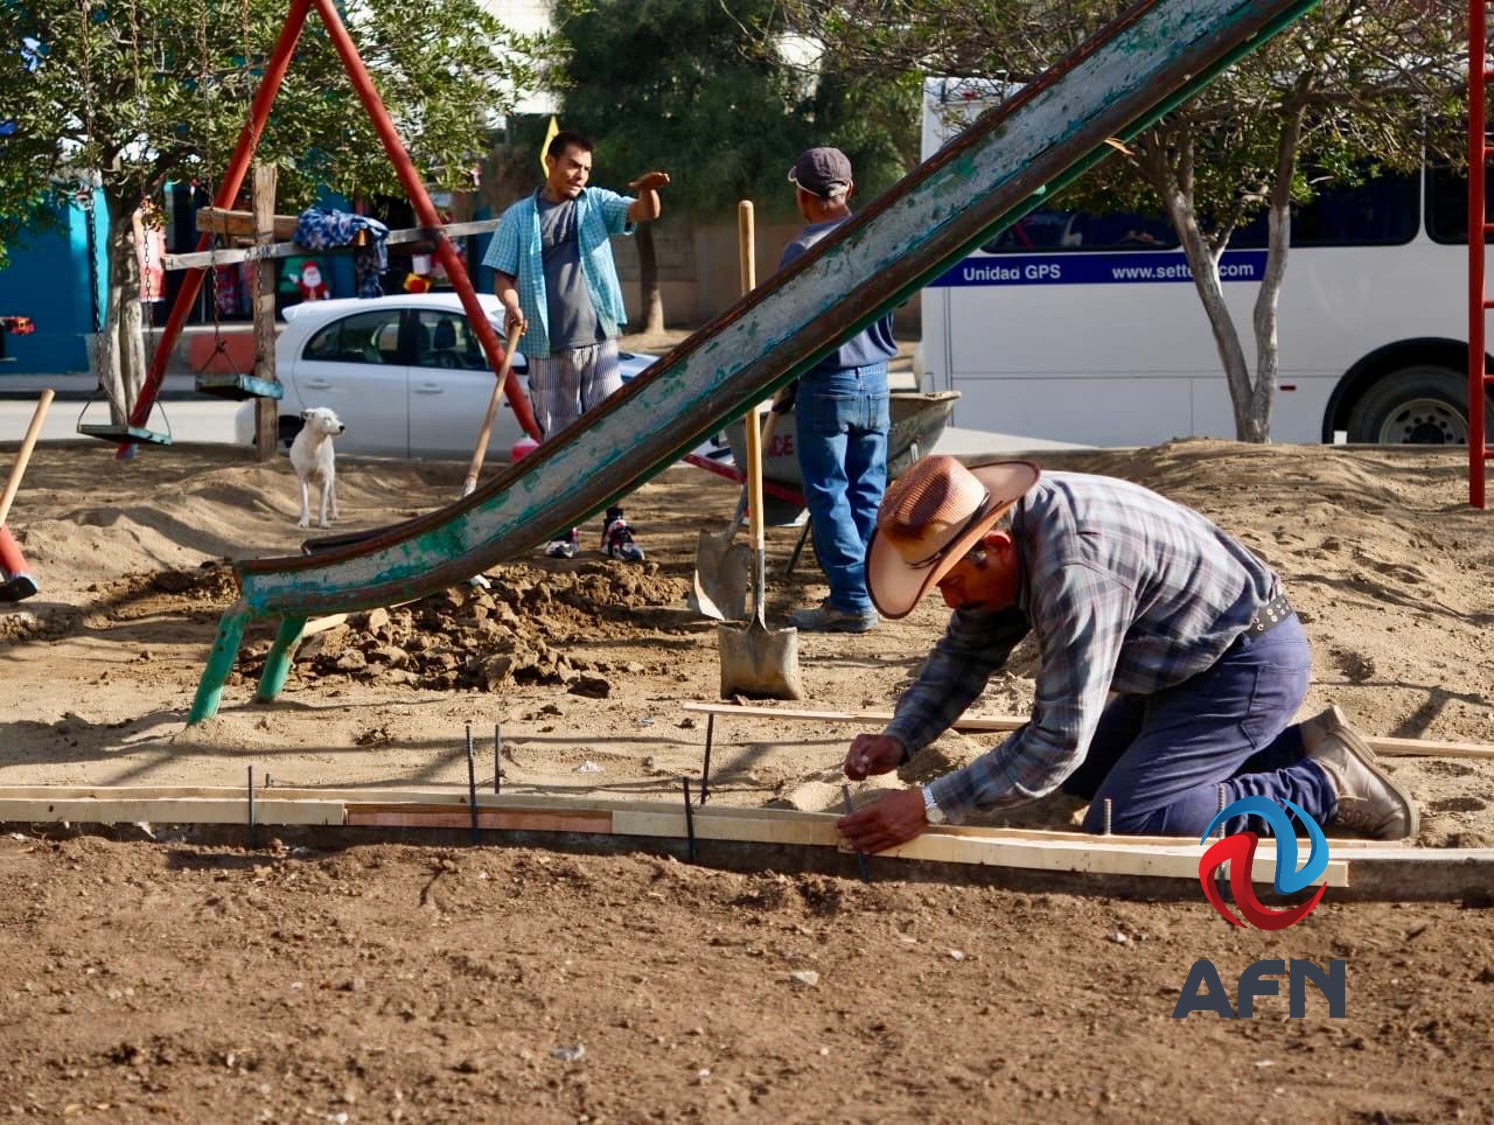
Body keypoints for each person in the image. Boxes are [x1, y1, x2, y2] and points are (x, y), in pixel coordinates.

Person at [834, 454, 1419, 854]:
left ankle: (1326, 784)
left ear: (994, 545)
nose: (951, 601)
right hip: (1183, 665)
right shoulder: (1013, 528)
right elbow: (965, 655)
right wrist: (901, 737)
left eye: (953, 582)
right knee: (1086, 778)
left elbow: (1057, 740)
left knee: (1133, 819)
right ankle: (1296, 747)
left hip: (1245, 666)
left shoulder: (1074, 568)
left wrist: (930, 805)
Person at [484, 129, 670, 562]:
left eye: (586, 168)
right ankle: (565, 524)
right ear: (551, 162)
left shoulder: (596, 203)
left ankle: (615, 524)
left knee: (610, 433)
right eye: (572, 165)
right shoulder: (519, 217)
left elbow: (642, 212)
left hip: (599, 341)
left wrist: (647, 191)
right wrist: (512, 305)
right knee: (559, 440)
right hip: (547, 346)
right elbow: (502, 277)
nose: (580, 175)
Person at [778, 147, 898, 633]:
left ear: (803, 197)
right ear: (849, 189)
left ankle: (850, 600)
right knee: (868, 491)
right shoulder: (878, 239)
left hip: (828, 382)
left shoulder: (802, 252)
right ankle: (866, 588)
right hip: (876, 381)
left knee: (830, 493)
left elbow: (786, 327)